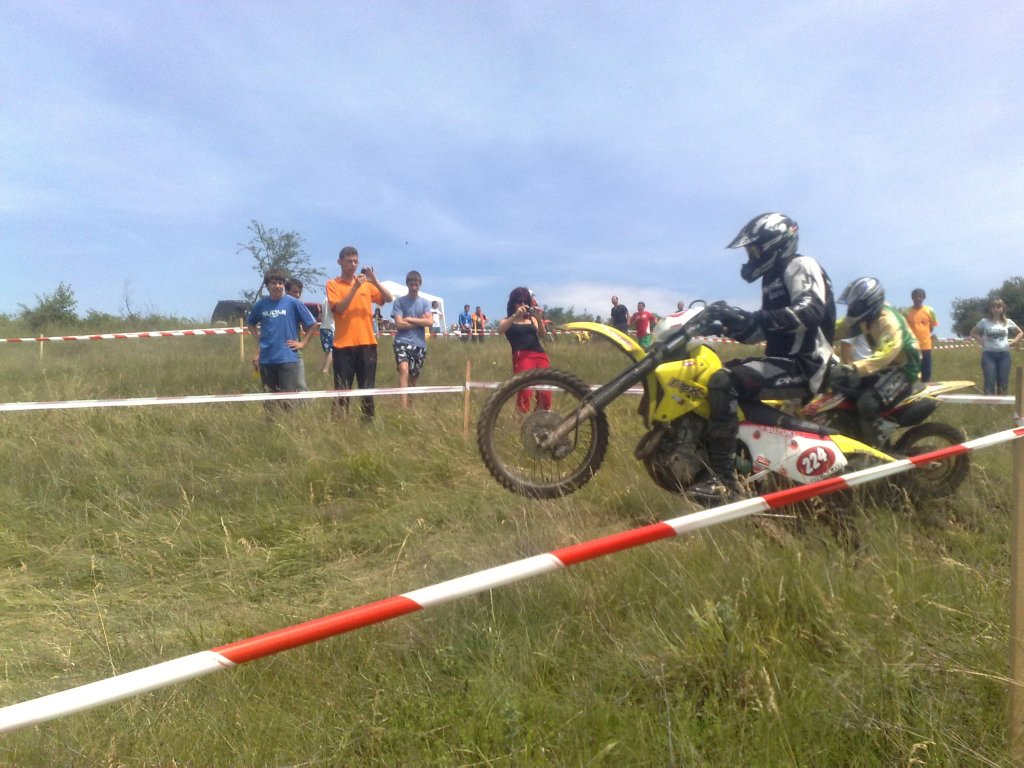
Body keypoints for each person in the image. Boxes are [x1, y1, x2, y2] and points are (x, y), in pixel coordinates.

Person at [696, 213, 837, 503]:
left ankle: (724, 482)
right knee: (711, 375)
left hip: (806, 364)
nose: (751, 257)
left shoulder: (800, 264)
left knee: (724, 382)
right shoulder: (772, 277)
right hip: (783, 362)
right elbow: (760, 330)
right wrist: (726, 325)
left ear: (776, 244)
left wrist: (752, 317)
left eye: (755, 250)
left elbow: (810, 311)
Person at [831, 278, 921, 444]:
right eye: (852, 305)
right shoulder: (864, 318)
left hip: (904, 369)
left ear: (871, 302)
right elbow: (836, 328)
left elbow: (886, 352)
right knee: (839, 388)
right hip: (883, 368)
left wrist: (853, 367)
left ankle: (876, 447)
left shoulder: (888, 320)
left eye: (857, 306)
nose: (852, 309)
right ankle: (854, 433)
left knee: (867, 402)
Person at [326, 246, 393, 418]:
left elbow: (388, 298)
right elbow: (339, 308)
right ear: (339, 262)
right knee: (342, 391)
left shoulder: (366, 285)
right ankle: (339, 424)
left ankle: (367, 424)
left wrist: (375, 281)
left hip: (367, 344)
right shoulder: (333, 284)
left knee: (367, 390)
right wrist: (354, 288)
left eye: (356, 261)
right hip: (343, 345)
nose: (353, 265)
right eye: (349, 261)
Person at [246, 269, 319, 406]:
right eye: (274, 283)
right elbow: (250, 323)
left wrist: (302, 343)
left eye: (280, 283)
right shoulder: (260, 305)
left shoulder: (293, 303)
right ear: (267, 286)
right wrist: (259, 338)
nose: (277, 286)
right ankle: (272, 419)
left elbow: (313, 324)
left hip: (287, 358)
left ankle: (289, 419)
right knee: (270, 400)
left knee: (288, 400)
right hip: (267, 359)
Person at [498, 286, 552, 412]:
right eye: (519, 301)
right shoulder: (507, 320)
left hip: (540, 355)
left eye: (525, 302)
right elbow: (500, 330)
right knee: (525, 392)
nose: (523, 304)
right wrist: (515, 315)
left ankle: (541, 417)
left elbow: (542, 335)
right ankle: (520, 418)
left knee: (545, 393)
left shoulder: (531, 319)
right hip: (522, 356)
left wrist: (538, 318)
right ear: (513, 303)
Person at [392, 270, 433, 408]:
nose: (414, 287)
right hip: (402, 341)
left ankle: (410, 406)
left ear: (420, 285)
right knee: (403, 369)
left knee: (413, 377)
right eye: (411, 284)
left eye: (416, 284)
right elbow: (399, 324)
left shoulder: (425, 303)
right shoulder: (399, 302)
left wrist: (409, 319)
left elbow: (429, 322)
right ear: (407, 285)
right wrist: (420, 321)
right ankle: (403, 407)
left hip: (419, 344)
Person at [970, 298, 1023, 395]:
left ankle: (1002, 400)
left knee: (1003, 382)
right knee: (989, 380)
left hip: (1004, 355)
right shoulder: (984, 322)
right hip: (988, 355)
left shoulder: (1008, 322)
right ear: (990, 309)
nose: (996, 309)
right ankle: (989, 402)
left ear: (1003, 308)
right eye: (993, 307)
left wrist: (1014, 342)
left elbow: (1020, 333)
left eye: (998, 307)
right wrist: (982, 342)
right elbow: (973, 332)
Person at [904, 288, 938, 383]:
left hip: (925, 346)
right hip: (912, 346)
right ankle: (910, 388)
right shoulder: (906, 312)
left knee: (926, 370)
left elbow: (931, 327)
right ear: (912, 298)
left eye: (920, 296)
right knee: (911, 370)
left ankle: (926, 386)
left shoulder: (930, 310)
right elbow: (904, 329)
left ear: (924, 297)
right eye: (915, 296)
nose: (918, 298)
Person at [285, 278, 309, 391]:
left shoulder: (299, 306)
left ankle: (304, 403)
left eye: (300, 292)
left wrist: (302, 343)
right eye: (295, 292)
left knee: (300, 384)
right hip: (275, 351)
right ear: (287, 291)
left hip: (294, 350)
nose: (298, 295)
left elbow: (310, 326)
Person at [319, 294, 334, 375]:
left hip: (323, 327)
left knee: (327, 351)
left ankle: (322, 369)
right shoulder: (333, 299)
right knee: (332, 350)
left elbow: (320, 316)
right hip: (331, 327)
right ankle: (326, 370)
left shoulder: (324, 299)